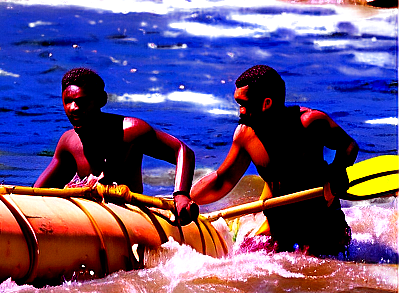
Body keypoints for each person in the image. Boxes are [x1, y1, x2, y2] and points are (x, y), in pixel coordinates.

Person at [190, 65, 358, 256]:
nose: (241, 111)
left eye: (244, 104)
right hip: (281, 232)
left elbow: (349, 146)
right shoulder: (245, 135)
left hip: (323, 232)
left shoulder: (309, 123)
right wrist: (184, 198)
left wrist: (337, 172)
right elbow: (222, 180)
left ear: (266, 103)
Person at [34, 67, 198, 226]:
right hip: (85, 219)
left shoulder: (131, 131)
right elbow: (38, 193)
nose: (73, 108)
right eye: (67, 101)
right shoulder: (68, 142)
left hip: (129, 218)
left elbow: (183, 151)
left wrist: (181, 195)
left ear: (101, 100)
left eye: (81, 101)